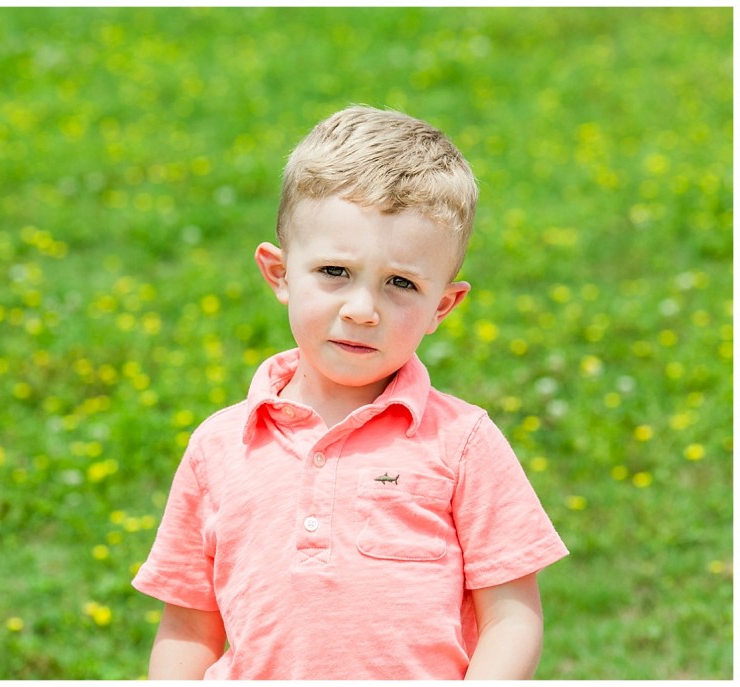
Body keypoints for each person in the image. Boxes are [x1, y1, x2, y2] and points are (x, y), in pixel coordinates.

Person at [131, 105, 569, 680]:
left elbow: (511, 619)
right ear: (280, 273)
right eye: (335, 272)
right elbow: (189, 626)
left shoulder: (463, 443)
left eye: (401, 284)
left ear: (443, 305)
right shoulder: (219, 447)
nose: (362, 310)